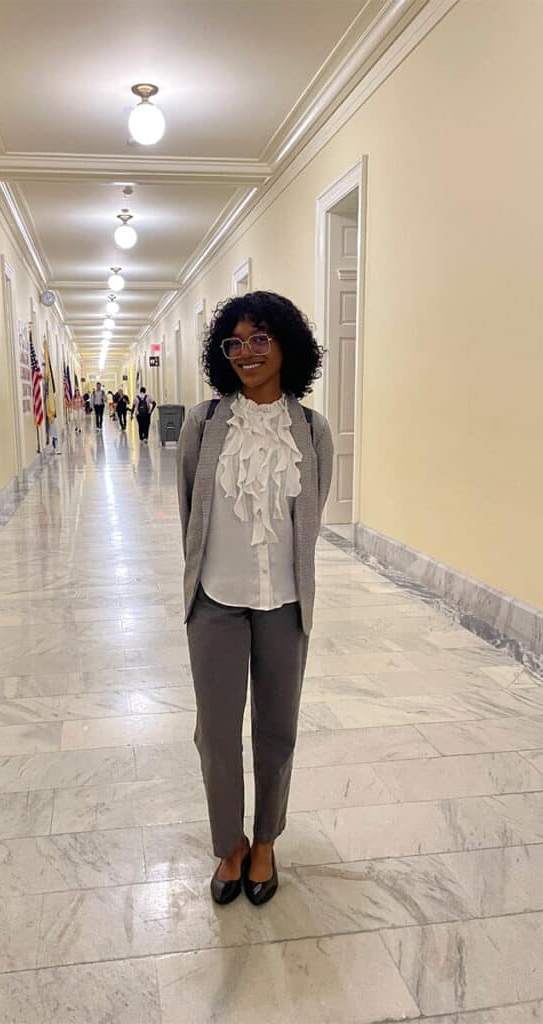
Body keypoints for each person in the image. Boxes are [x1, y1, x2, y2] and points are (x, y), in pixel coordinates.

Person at [176, 291, 334, 907]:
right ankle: (230, 844)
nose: (247, 353)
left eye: (260, 339)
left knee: (278, 728)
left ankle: (266, 840)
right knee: (216, 731)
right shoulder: (204, 422)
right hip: (215, 598)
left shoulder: (313, 430)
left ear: (286, 346)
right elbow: (190, 510)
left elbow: (311, 518)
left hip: (286, 603)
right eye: (235, 342)